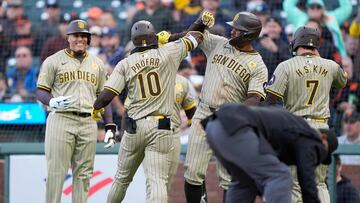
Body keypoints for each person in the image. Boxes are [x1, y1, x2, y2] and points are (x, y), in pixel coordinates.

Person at [91, 20, 204, 203]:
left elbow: (106, 96)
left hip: (135, 126)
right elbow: (196, 36)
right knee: (157, 181)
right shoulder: (169, 52)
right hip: (162, 126)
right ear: (154, 36)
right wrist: (174, 36)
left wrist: (95, 108)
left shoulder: (124, 63)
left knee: (121, 180)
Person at [183, 11, 268, 203]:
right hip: (204, 111)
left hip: (230, 121)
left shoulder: (258, 65)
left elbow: (255, 97)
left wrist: (232, 114)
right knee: (192, 171)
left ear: (248, 34)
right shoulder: (219, 43)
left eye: (237, 30)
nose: (232, 31)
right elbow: (192, 36)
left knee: (229, 179)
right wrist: (200, 22)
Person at [36, 19, 115, 203]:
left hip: (88, 122)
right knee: (56, 172)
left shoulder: (97, 64)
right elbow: (40, 91)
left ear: (88, 39)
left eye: (84, 36)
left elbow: (104, 97)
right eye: (76, 35)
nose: (80, 39)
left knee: (84, 174)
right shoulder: (53, 61)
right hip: (61, 120)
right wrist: (52, 102)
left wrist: (110, 125)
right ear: (68, 38)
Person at [265, 26, 348, 202]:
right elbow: (343, 82)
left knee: (295, 182)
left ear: (295, 44)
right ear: (316, 46)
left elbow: (271, 99)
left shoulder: (285, 66)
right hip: (322, 129)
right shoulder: (331, 65)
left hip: (297, 128)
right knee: (319, 183)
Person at [203, 103, 339, 203]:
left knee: (245, 183)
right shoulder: (311, 137)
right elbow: (306, 176)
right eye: (323, 153)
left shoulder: (292, 130)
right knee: (280, 175)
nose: (318, 158)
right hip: (236, 127)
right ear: (323, 138)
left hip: (215, 126)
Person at [283, 0, 352, 56]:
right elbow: (288, 5)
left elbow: (347, 7)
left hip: (331, 56)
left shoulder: (332, 18)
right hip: (304, 57)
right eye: (311, 7)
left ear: (323, 9)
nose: (315, 9)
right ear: (307, 9)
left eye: (318, 7)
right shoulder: (300, 18)